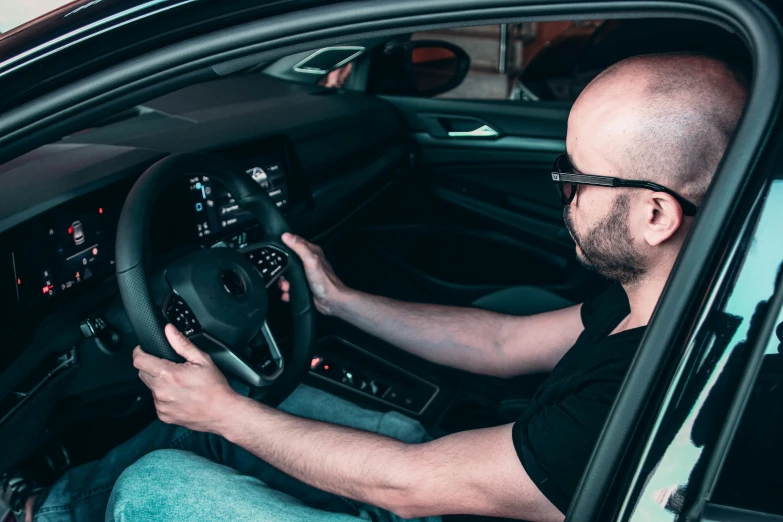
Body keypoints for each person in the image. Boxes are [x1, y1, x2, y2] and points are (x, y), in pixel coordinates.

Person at [5, 52, 746, 522]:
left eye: (578, 179)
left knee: (158, 484)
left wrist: (226, 412)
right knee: (213, 418)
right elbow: (501, 341)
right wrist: (339, 297)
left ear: (654, 214)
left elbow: (411, 485)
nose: (563, 194)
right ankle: (44, 510)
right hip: (467, 486)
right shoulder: (668, 297)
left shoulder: (652, 398)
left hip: (440, 495)